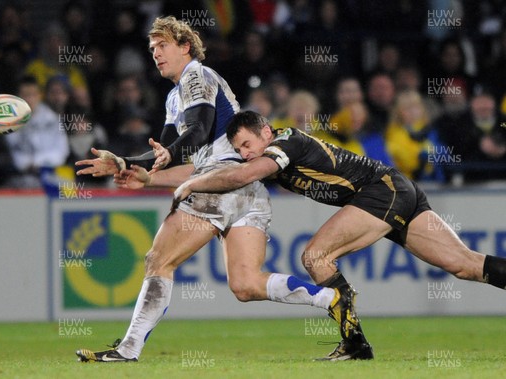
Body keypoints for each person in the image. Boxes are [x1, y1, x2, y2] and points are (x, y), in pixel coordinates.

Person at [74, 16, 358, 363]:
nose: (156, 54)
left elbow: (197, 130)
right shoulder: (173, 99)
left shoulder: (197, 74)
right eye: (152, 48)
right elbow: (167, 153)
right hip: (246, 189)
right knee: (246, 284)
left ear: (185, 47)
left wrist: (157, 157)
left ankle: (128, 349)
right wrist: (125, 162)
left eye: (163, 46)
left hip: (221, 183)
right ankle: (328, 298)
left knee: (158, 260)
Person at [165, 110, 506, 359]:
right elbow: (218, 169)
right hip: (396, 188)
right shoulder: (269, 150)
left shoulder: (287, 141)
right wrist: (150, 176)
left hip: (382, 190)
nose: (244, 153)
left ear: (266, 132)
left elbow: (242, 175)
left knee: (315, 256)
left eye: (247, 144)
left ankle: (354, 343)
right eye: (239, 149)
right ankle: (355, 343)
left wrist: (191, 185)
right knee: (465, 265)